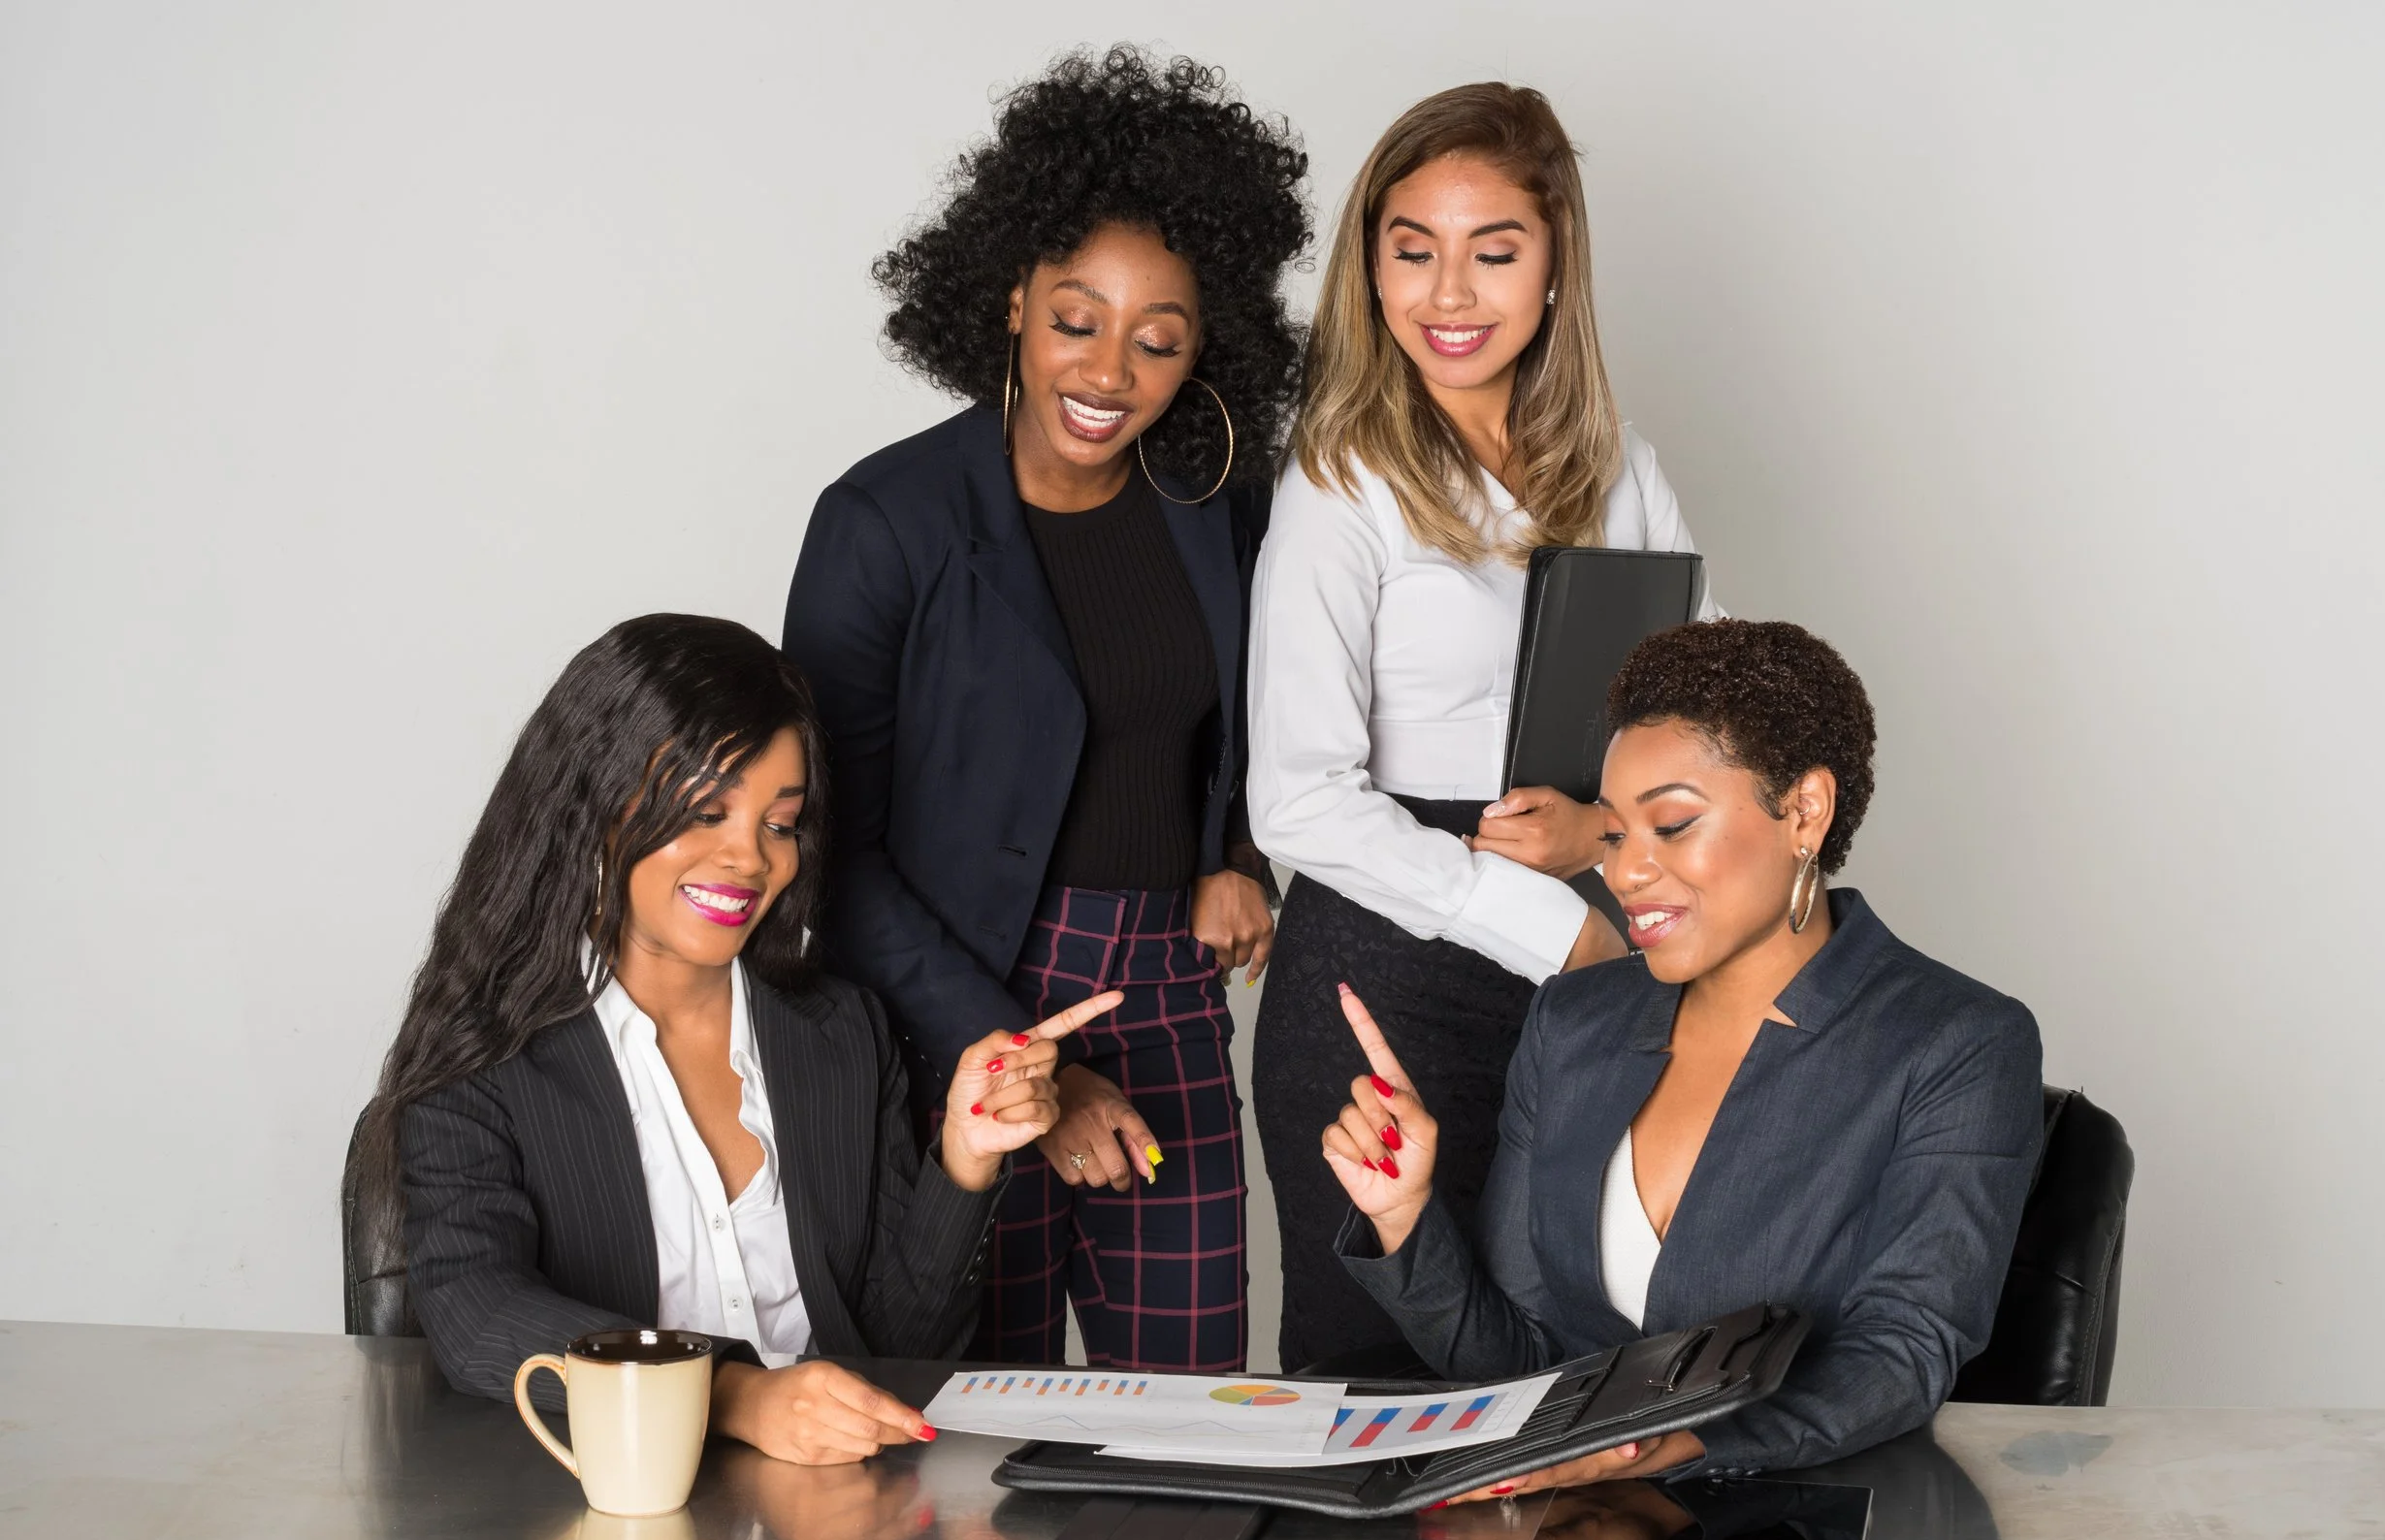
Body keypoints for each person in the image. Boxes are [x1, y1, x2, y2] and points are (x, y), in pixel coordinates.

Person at [783, 48, 1312, 1372]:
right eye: (1078, 316)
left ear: (1207, 349)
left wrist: (1232, 854)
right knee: (973, 1419)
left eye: (1160, 338)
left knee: (1187, 1413)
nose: (1110, 369)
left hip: (1170, 994)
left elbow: (1243, 723)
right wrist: (1021, 1054)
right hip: (960, 1008)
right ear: (1012, 295)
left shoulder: (1218, 507)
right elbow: (825, 851)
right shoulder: (882, 523)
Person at [350, 615, 1117, 1465]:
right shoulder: (487, 1051)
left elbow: (897, 1340)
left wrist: (964, 1157)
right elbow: (477, 1310)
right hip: (617, 1509)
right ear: (597, 801)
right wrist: (735, 1394)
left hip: (837, 1525)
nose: (748, 858)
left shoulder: (841, 1033)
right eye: (706, 810)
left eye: (779, 823)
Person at [1319, 620, 2043, 1492]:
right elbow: (1517, 1361)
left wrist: (1658, 1452)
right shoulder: (1572, 1022)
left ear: (1805, 810)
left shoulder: (1954, 1041)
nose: (1625, 872)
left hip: (1800, 1537)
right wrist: (1405, 1217)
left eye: (1671, 824)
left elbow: (1903, 1354)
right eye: (1617, 834)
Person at [1246, 81, 1715, 1370]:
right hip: (1386, 969)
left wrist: (1607, 831)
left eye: (1493, 251)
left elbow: (1716, 715)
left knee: (1574, 1363)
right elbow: (1292, 800)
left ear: (1555, 263)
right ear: (1371, 266)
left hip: (1599, 962)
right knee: (1379, 1382)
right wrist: (1546, 921)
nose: (1449, 292)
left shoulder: (1621, 466)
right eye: (1413, 249)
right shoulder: (1340, 478)